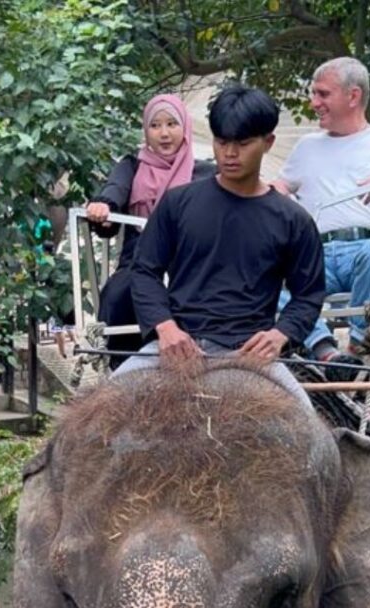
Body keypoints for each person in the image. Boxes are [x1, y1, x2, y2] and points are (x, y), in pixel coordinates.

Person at [117, 83, 325, 405]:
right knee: (98, 409)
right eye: (222, 142)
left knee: (306, 421)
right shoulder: (177, 203)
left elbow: (308, 295)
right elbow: (144, 272)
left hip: (251, 356)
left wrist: (279, 334)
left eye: (243, 143)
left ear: (267, 142)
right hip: (177, 347)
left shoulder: (293, 220)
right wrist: (166, 328)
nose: (229, 153)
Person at [271, 56, 370, 360]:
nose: (314, 103)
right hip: (316, 256)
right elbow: (279, 187)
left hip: (368, 251)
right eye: (314, 94)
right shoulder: (306, 146)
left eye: (323, 94)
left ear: (353, 96)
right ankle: (325, 350)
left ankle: (359, 345)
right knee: (265, 271)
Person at [84, 94, 213, 365]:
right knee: (120, 293)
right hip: (140, 260)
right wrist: (104, 207)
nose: (164, 133)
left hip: (189, 263)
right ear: (146, 130)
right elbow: (115, 189)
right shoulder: (132, 166)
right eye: (155, 125)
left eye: (172, 124)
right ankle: (121, 368)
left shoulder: (205, 174)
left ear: (185, 127)